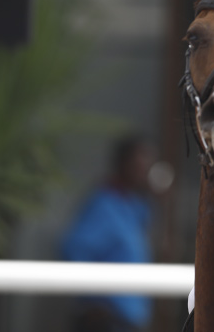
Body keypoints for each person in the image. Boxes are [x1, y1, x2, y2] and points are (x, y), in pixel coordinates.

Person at [62, 135, 156, 332]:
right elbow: (74, 250)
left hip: (130, 321)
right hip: (108, 322)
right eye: (139, 163)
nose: (144, 170)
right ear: (123, 163)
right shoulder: (103, 204)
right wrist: (94, 302)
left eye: (147, 164)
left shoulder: (135, 206)